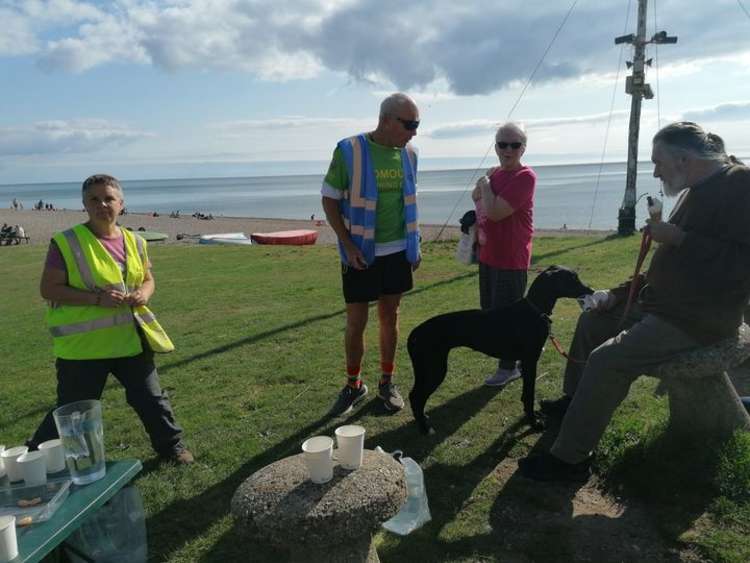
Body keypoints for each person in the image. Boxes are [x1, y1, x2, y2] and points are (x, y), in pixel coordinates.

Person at [520, 122, 750, 481]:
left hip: (698, 319)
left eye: (658, 162)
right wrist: (616, 294)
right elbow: (667, 266)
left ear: (684, 159)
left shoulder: (740, 185)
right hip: (663, 305)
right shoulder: (695, 188)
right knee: (592, 322)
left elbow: (741, 265)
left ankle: (569, 461)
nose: (655, 171)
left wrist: (680, 238)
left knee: (607, 360)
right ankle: (573, 403)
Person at [27, 174, 194, 464]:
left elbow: (148, 278)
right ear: (84, 204)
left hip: (129, 340)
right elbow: (48, 289)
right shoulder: (67, 242)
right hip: (83, 348)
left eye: (109, 198)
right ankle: (32, 457)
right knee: (73, 410)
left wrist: (143, 292)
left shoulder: (135, 241)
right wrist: (96, 299)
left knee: (151, 399)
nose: (102, 204)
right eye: (94, 199)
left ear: (121, 204)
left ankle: (173, 448)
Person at [321, 92, 421, 416]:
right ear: (386, 120)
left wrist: (413, 243)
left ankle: (387, 383)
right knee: (356, 321)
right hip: (360, 254)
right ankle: (353, 385)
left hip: (397, 252)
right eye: (410, 124)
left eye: (417, 124)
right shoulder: (349, 150)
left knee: (390, 317)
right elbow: (329, 199)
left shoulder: (410, 154)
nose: (414, 132)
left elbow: (409, 202)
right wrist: (348, 245)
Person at [472, 123, 536, 386]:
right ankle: (519, 353)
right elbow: (476, 197)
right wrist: (485, 187)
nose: (507, 150)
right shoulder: (495, 175)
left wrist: (485, 184)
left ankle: (509, 366)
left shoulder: (525, 177)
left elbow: (496, 211)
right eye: (502, 144)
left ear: (523, 148)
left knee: (504, 316)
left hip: (511, 258)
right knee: (490, 311)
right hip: (489, 255)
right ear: (495, 146)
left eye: (514, 145)